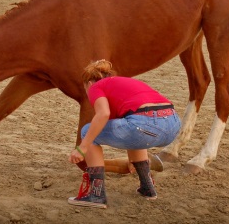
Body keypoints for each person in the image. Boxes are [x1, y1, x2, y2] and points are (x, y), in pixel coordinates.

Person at [68, 59, 181, 209]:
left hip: (144, 124)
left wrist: (82, 147)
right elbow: (129, 122)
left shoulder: (96, 86)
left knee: (87, 131)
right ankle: (147, 188)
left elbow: (103, 114)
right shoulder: (124, 83)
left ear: (88, 83)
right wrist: (131, 159)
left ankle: (97, 195)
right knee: (132, 124)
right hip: (173, 125)